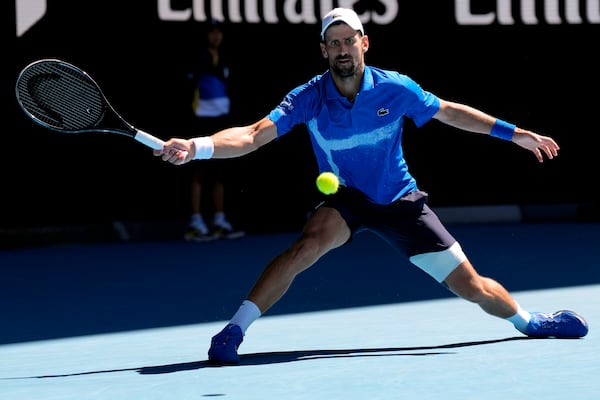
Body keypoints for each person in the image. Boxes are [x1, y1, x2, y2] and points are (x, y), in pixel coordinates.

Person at [155, 8, 589, 364]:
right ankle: (234, 330)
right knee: (304, 249)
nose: (343, 49)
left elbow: (450, 112)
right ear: (323, 50)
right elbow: (252, 135)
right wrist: (198, 147)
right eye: (334, 42)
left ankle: (532, 322)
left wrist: (515, 134)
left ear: (364, 43)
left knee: (472, 287)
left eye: (350, 40)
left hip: (399, 199)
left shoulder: (394, 88)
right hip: (344, 200)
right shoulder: (308, 96)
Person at [183, 19, 244, 242]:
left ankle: (219, 220)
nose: (216, 36)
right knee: (198, 172)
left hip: (221, 121)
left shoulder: (226, 59)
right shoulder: (197, 59)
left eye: (219, 32)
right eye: (212, 32)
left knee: (220, 173)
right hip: (200, 121)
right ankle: (196, 222)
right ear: (206, 36)